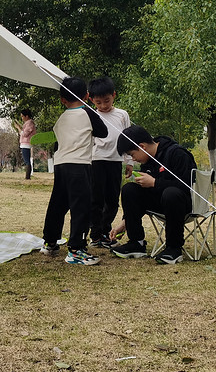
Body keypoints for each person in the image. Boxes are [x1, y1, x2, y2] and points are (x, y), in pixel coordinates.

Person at [41, 77, 108, 266]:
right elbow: (103, 131)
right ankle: (76, 250)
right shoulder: (87, 113)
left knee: (58, 204)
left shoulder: (61, 119)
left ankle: (50, 242)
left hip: (61, 164)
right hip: (79, 165)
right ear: (87, 96)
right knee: (81, 207)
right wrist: (89, 110)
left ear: (63, 100)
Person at [111, 124, 197, 265]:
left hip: (182, 204)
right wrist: (125, 222)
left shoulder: (178, 154)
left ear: (142, 146)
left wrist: (155, 183)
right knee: (129, 189)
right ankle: (136, 243)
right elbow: (145, 194)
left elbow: (187, 186)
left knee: (171, 193)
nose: (134, 160)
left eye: (132, 155)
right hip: (159, 203)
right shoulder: (148, 161)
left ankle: (174, 248)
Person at [87, 77, 131, 249]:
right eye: (99, 102)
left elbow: (128, 139)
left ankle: (105, 232)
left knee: (112, 200)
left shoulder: (122, 115)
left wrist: (129, 161)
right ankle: (95, 234)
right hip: (96, 160)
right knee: (96, 199)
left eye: (107, 101)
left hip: (115, 161)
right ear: (91, 99)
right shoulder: (91, 114)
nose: (103, 106)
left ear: (114, 95)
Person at [18, 109, 36, 180]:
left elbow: (25, 134)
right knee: (27, 160)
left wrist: (19, 128)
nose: (22, 118)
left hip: (26, 143)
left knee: (27, 161)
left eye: (22, 116)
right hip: (26, 143)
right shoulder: (28, 123)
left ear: (27, 116)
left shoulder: (29, 123)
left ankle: (27, 177)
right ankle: (27, 176)